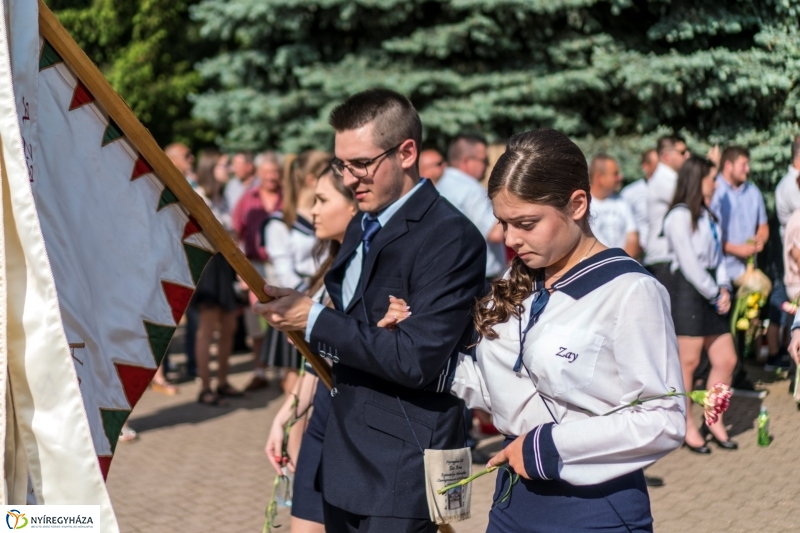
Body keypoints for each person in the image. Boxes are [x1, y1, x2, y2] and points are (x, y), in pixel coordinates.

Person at [384, 129, 684, 532]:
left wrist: (548, 447)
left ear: (577, 204)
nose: (511, 239)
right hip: (511, 501)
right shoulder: (521, 277)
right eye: (503, 223)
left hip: (594, 511)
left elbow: (663, 419)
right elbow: (503, 388)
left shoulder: (630, 291)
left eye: (526, 223)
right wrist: (415, 347)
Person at [255, 88, 486, 533]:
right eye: (341, 164)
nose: (348, 179)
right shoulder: (362, 221)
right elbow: (351, 324)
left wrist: (314, 320)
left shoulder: (450, 237)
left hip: (401, 462)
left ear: (406, 153)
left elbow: (415, 360)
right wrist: (296, 400)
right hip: (341, 444)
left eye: (361, 164)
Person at [265, 168, 358, 533]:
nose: (313, 211)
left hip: (355, 427)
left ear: (353, 205)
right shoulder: (328, 266)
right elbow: (314, 368)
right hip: (320, 422)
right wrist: (285, 417)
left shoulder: (369, 271)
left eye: (321, 200)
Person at [663, 155, 738, 453]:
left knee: (726, 359)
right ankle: (686, 425)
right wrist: (713, 292)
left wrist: (724, 286)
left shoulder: (707, 214)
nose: (716, 183)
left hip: (710, 290)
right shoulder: (678, 216)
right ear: (697, 180)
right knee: (689, 364)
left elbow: (717, 258)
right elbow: (689, 263)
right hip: (688, 291)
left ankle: (713, 418)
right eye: (712, 178)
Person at [263, 150, 328, 394]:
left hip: (325, 302)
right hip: (295, 302)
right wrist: (309, 299)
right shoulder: (279, 222)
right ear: (312, 179)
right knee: (295, 378)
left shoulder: (328, 215)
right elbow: (283, 271)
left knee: (321, 377)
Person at [193, 151, 244, 405]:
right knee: (208, 327)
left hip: (226, 264)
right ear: (210, 168)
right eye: (224, 165)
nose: (229, 169)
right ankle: (205, 386)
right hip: (209, 265)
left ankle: (222, 381)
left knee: (230, 325)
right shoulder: (198, 196)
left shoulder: (221, 197)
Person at [234, 151, 284, 391]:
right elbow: (236, 234)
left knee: (284, 315)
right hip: (255, 265)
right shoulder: (248, 199)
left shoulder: (287, 197)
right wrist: (240, 270)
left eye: (276, 172)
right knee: (256, 319)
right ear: (259, 174)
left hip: (281, 266)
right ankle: (259, 370)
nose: (272, 176)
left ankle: (286, 371)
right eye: (267, 172)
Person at [439, 137, 507, 280]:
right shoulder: (471, 190)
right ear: (466, 161)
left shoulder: (442, 184)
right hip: (483, 275)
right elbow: (495, 234)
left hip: (452, 271)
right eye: (484, 160)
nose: (488, 165)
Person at [644, 135, 691, 286]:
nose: (688, 155)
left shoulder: (672, 179)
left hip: (669, 257)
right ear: (666, 156)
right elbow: (691, 201)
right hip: (662, 258)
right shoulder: (662, 181)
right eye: (682, 152)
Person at [588, 153, 640, 258]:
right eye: (615, 174)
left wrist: (620, 262)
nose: (620, 177)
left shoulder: (622, 202)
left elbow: (633, 239)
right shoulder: (583, 204)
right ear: (599, 178)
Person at [621, 148, 658, 253]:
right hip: (638, 254)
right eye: (658, 165)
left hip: (665, 254)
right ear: (646, 166)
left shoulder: (672, 189)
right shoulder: (630, 192)